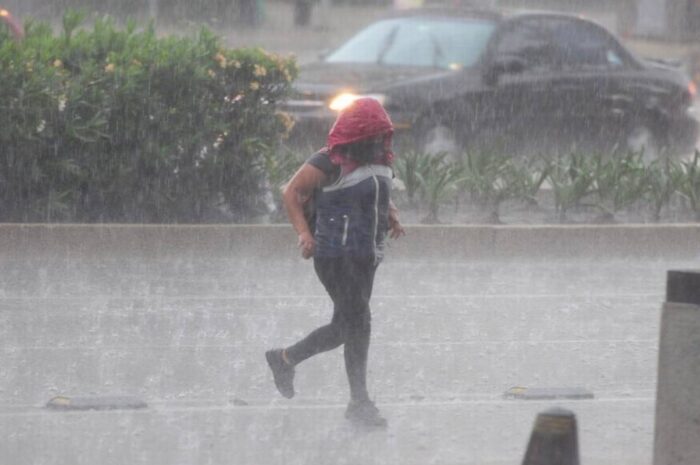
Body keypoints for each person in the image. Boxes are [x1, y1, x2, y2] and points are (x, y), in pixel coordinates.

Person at [265, 97, 405, 428]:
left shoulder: (381, 161)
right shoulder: (330, 160)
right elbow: (291, 192)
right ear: (356, 131)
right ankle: (359, 403)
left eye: (381, 133)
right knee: (359, 324)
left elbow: (380, 193)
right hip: (335, 255)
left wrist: (393, 216)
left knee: (348, 327)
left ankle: (286, 358)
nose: (376, 140)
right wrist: (304, 234)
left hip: (367, 256)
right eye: (371, 133)